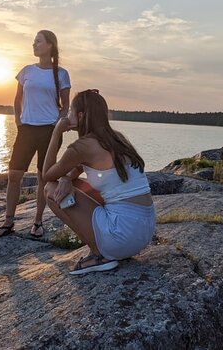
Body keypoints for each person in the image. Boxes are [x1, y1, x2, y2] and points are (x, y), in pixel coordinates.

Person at [41, 89, 155, 275]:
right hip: (142, 233)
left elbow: (47, 174)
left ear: (80, 115)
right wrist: (67, 178)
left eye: (70, 111)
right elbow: (79, 169)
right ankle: (107, 248)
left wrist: (56, 133)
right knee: (72, 184)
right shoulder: (116, 138)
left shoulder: (82, 147)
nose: (67, 116)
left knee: (50, 189)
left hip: (121, 234)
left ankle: (99, 255)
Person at [0, 30, 71, 239]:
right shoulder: (26, 71)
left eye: (38, 41)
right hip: (26, 129)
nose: (34, 45)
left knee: (43, 177)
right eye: (33, 42)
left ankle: (37, 222)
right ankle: (8, 222)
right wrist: (18, 121)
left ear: (50, 45)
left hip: (49, 131)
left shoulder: (61, 74)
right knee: (14, 175)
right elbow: (17, 100)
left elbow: (66, 106)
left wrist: (56, 126)